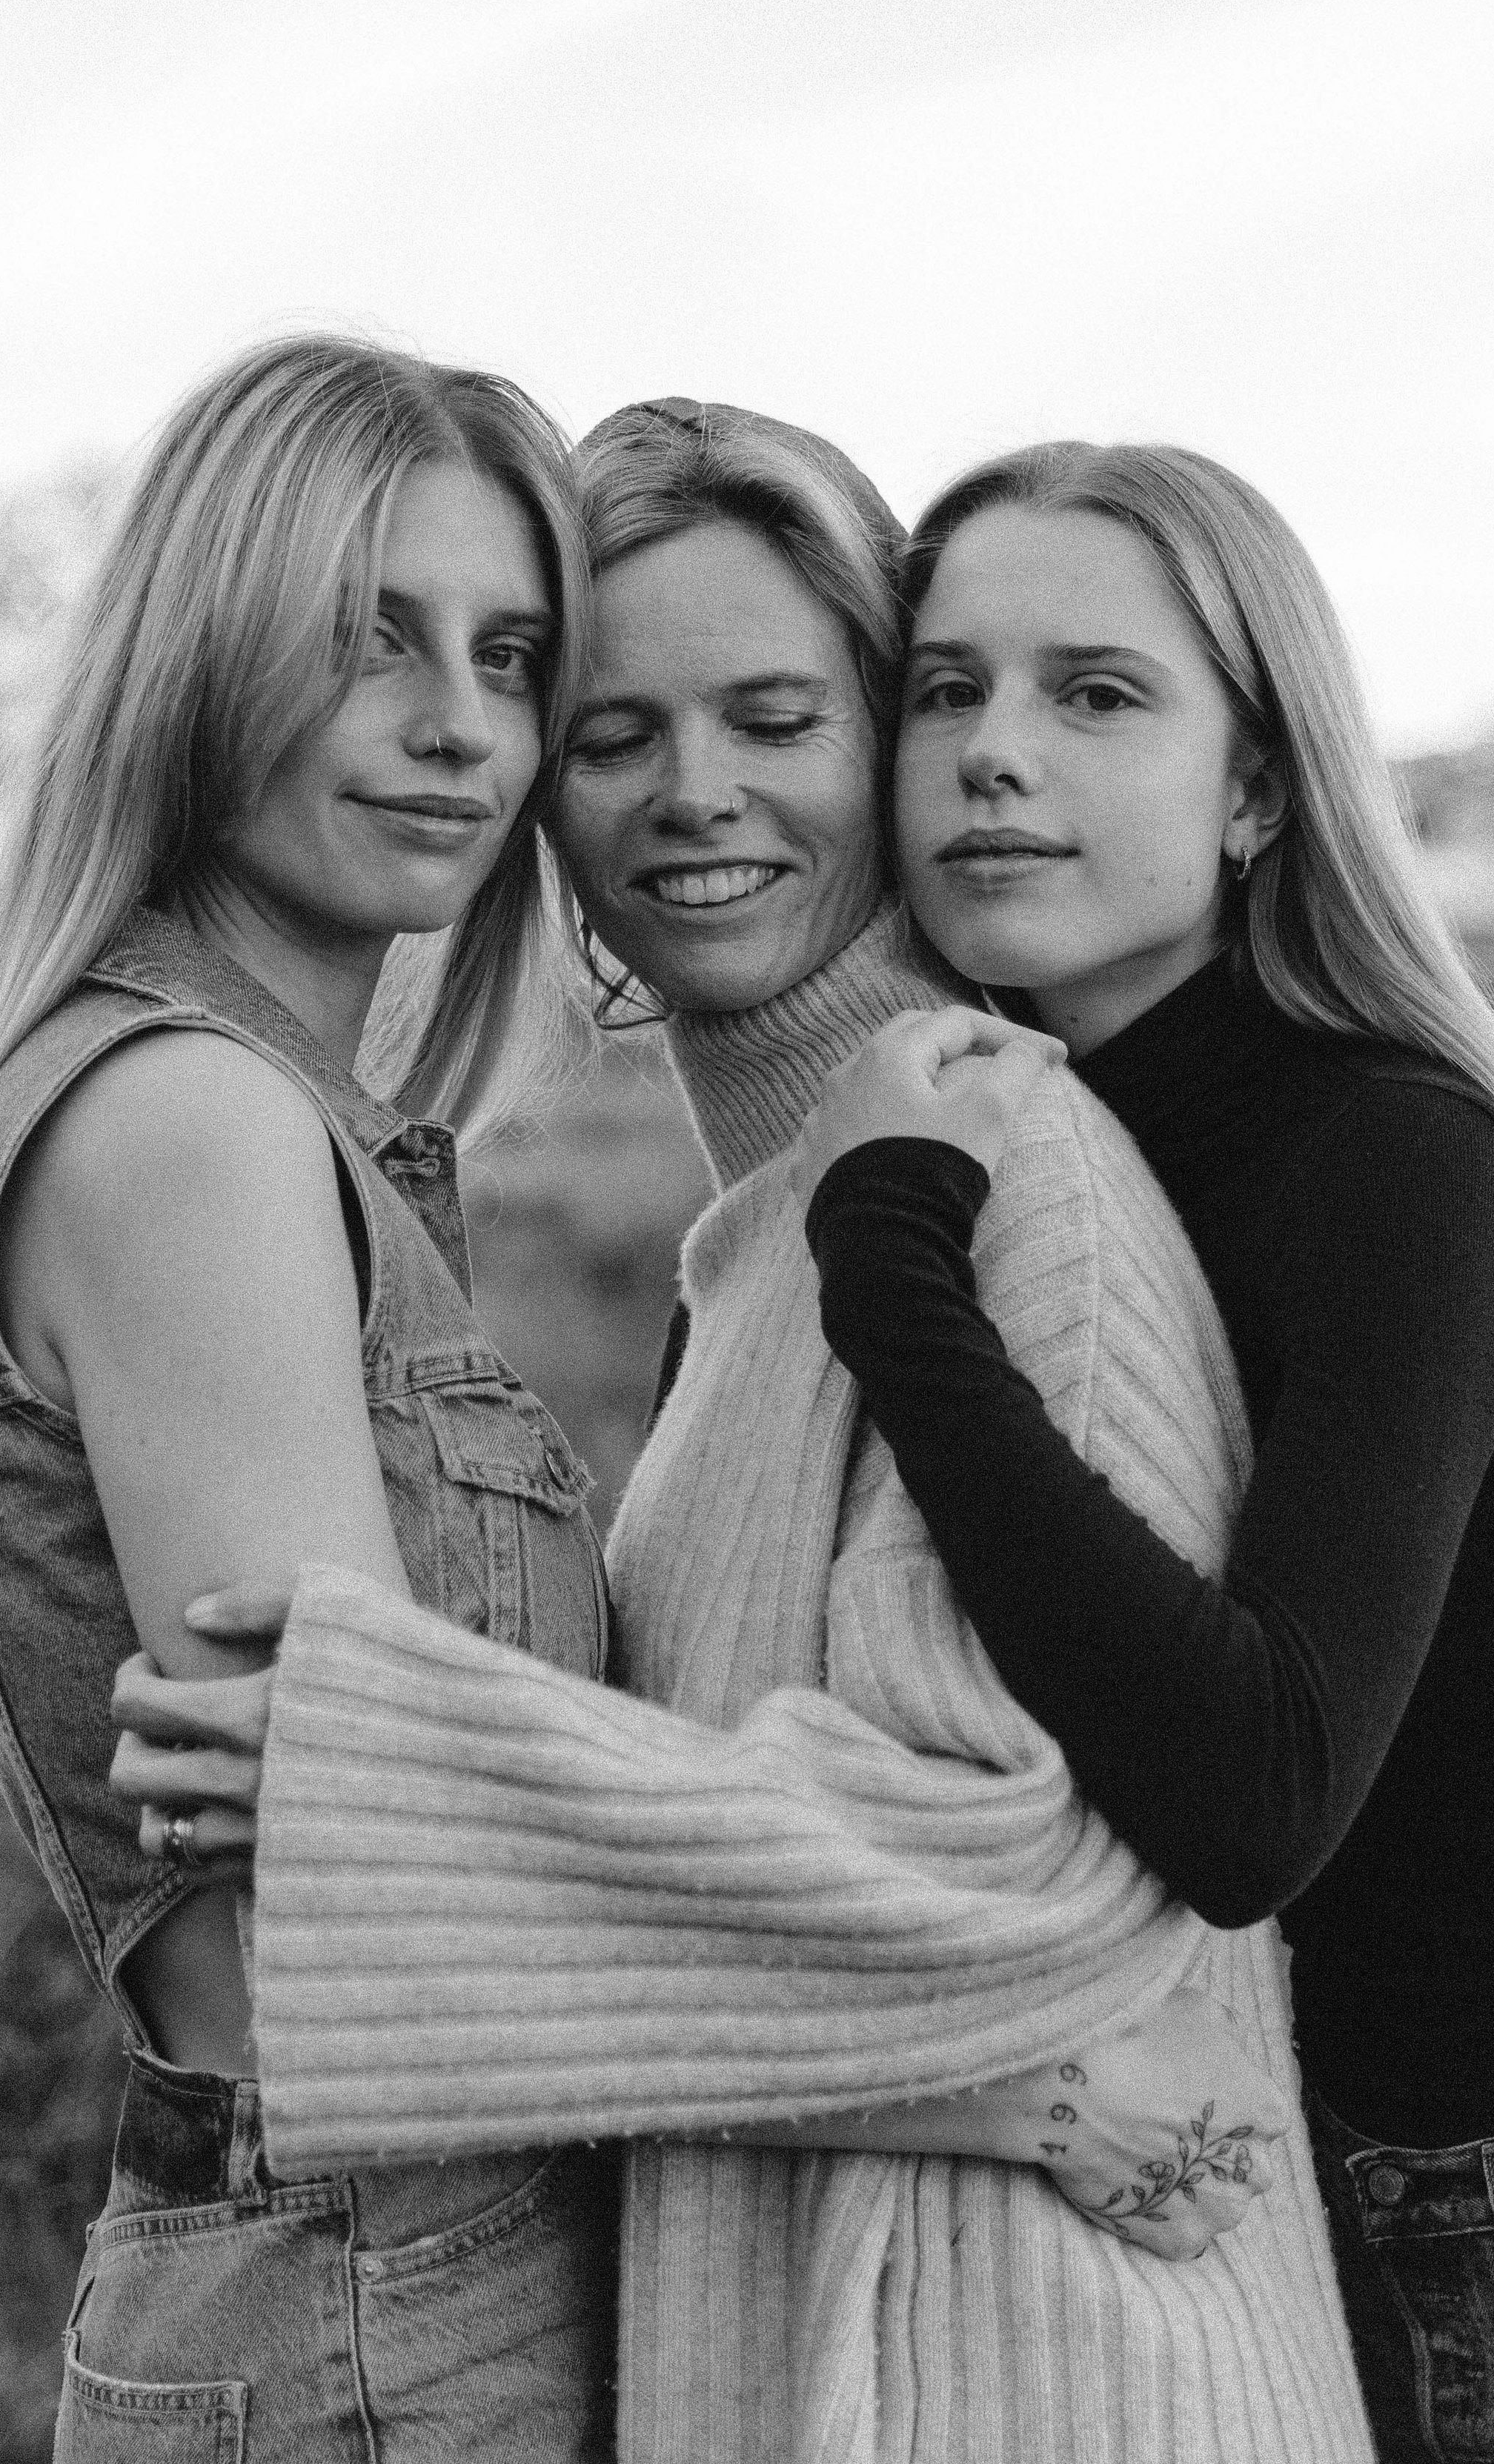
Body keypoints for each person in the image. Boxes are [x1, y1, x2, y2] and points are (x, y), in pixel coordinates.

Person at [115, 402, 1375, 2463]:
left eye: (777, 715)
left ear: (887, 737)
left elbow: (1049, 1862)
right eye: (613, 733)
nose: (695, 794)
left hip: (1050, 2376)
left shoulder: (1003, 1173)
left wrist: (414, 1773)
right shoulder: (774, 1240)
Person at [790, 441, 1494, 2460]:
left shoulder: (1398, 1152)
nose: (990, 752)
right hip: (1346, 2192)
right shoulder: (1084, 1146)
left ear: (1255, 789)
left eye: (1096, 692)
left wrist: (886, 1258)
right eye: (943, 689)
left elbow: (1256, 1787)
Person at [0, 334, 625, 2461]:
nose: (459, 721)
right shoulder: (187, 1125)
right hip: (386, 2303)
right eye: (367, 639)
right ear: (197, 660)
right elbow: (361, 1905)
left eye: (511, 650)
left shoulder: (273, 1119)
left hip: (392, 2284)